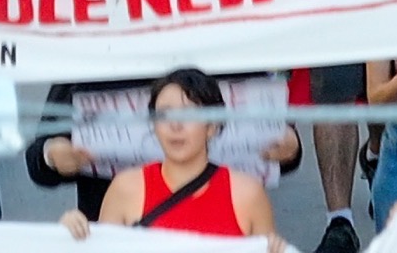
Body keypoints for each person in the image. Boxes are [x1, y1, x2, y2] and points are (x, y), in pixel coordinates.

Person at [59, 70, 280, 239]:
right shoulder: (125, 189)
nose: (175, 125)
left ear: (212, 126)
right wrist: (73, 236)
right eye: (164, 115)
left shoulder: (247, 194)